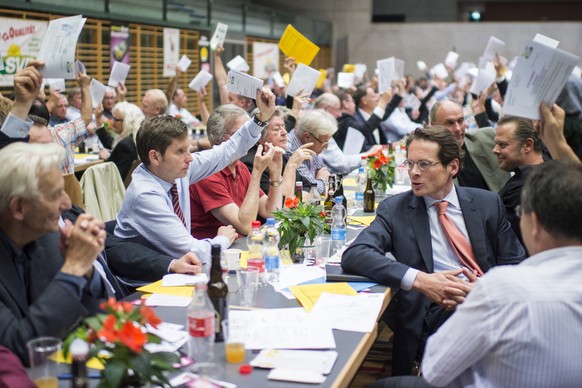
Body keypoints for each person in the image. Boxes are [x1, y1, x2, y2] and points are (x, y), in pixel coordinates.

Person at [341, 126, 525, 376]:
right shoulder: (395, 210)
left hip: (488, 302)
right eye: (410, 163)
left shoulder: (486, 204)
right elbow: (356, 254)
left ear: (453, 167)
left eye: (425, 165)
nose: (414, 173)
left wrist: (485, 290)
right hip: (433, 309)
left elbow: (517, 265)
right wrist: (420, 280)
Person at [421, 161, 582, 387]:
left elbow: (434, 370)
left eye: (520, 213)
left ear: (534, 222)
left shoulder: (502, 289)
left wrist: (481, 299)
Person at [114, 87, 276, 265]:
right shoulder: (145, 194)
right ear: (155, 157)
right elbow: (192, 251)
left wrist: (261, 118)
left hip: (179, 268)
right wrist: (222, 239)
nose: (189, 157)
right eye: (180, 151)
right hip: (147, 280)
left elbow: (226, 151)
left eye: (188, 149)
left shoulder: (175, 170)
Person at [0, 142, 107, 365]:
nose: (67, 203)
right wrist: (73, 269)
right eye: (56, 194)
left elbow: (101, 319)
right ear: (19, 208)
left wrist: (85, 270)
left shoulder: (45, 238)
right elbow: (20, 350)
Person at [189, 104, 283, 238]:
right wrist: (257, 172)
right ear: (219, 139)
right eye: (240, 134)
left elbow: (272, 213)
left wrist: (276, 174)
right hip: (212, 254)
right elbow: (245, 226)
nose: (249, 139)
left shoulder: (240, 167)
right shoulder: (207, 174)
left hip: (237, 248)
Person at [429, 99, 509, 192]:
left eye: (461, 121)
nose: (458, 129)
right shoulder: (429, 160)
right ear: (434, 126)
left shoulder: (488, 138)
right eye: (450, 123)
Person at [241, 106, 315, 196]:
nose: (284, 132)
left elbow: (307, 185)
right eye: (276, 129)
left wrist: (297, 197)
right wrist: (291, 166)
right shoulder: (252, 163)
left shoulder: (279, 154)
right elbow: (278, 204)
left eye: (283, 127)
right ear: (260, 137)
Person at [493, 116, 543, 243]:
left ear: (527, 145)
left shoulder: (525, 188)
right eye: (496, 143)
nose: (495, 150)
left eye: (502, 145)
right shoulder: (546, 173)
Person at [285, 109, 336, 194]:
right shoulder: (290, 150)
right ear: (307, 136)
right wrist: (322, 180)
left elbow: (323, 170)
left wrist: (322, 179)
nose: (326, 147)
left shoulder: (311, 144)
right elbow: (312, 188)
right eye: (324, 143)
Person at [95, 101, 144, 180]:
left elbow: (115, 177)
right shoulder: (135, 139)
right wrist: (98, 119)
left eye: (115, 119)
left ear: (127, 122)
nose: (112, 123)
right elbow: (111, 144)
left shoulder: (125, 146)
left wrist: (108, 158)